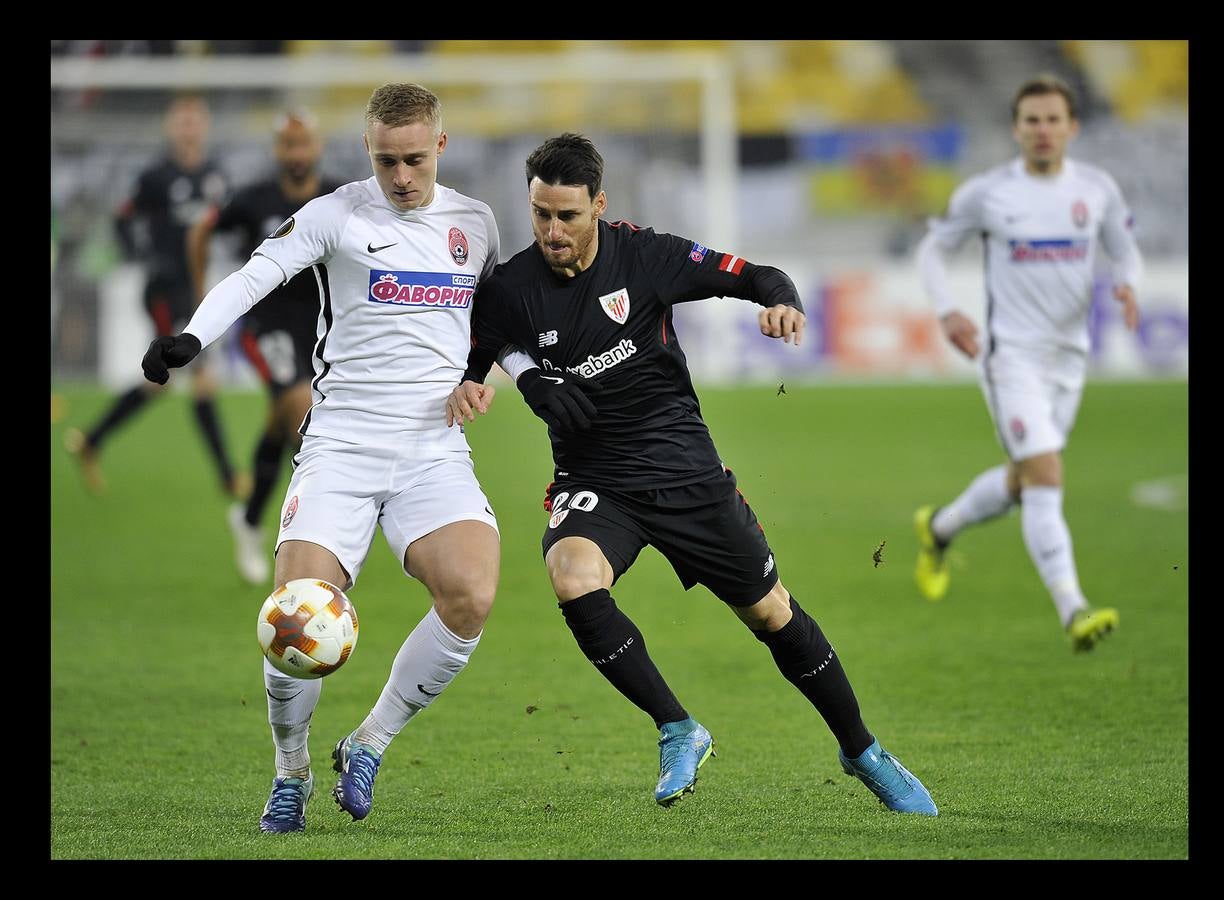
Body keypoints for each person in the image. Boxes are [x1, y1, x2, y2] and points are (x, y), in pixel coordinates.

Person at [448, 133, 937, 815]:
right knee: (571, 575)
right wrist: (521, 380)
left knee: (771, 613)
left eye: (568, 216)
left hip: (686, 474)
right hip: (597, 480)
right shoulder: (512, 286)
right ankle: (678, 727)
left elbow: (756, 276)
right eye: (540, 215)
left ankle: (862, 751)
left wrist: (783, 303)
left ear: (600, 206)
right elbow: (484, 343)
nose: (552, 231)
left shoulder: (648, 257)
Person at [142, 83, 532, 833]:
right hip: (343, 445)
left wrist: (514, 380)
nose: (402, 177)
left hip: (431, 450)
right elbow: (257, 273)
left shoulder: (475, 223)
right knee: (294, 619)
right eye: (387, 161)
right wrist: (192, 337)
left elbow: (494, 327)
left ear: (441, 148)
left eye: (415, 160)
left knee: (471, 594)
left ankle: (370, 742)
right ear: (368, 152)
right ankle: (290, 771)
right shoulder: (337, 214)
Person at [912, 74, 1142, 652]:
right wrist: (947, 311)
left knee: (1023, 482)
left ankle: (939, 527)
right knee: (1046, 476)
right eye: (1032, 120)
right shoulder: (989, 194)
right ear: (1016, 128)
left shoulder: (1097, 189)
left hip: (1070, 360)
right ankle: (1074, 609)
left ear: (1072, 127)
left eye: (1053, 120)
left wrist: (1129, 284)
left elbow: (1123, 245)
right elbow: (932, 248)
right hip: (1010, 356)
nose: (1042, 130)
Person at [186, 110, 344, 585]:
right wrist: (201, 298)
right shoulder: (253, 199)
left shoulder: (339, 196)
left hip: (321, 327)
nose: (296, 155)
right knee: (300, 415)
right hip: (266, 325)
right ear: (277, 150)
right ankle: (307, 533)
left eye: (304, 145)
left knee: (281, 423)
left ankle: (249, 519)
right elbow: (200, 230)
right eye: (288, 146)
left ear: (318, 146)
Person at [66, 95, 242, 498]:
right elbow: (123, 217)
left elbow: (227, 224)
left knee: (164, 383)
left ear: (205, 127)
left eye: (194, 122)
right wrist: (144, 256)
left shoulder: (216, 177)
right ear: (170, 128)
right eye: (181, 122)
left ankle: (91, 441)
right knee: (199, 378)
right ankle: (229, 476)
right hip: (163, 291)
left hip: (196, 289)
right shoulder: (155, 177)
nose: (188, 129)